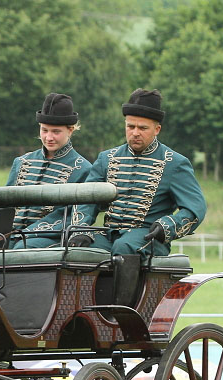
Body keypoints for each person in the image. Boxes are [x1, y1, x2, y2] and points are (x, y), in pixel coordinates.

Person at [68, 89, 206, 257]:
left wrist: (167, 226)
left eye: (142, 128)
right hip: (110, 234)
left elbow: (195, 207)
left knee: (124, 247)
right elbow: (86, 198)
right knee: (77, 249)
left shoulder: (175, 164)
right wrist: (81, 230)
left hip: (150, 237)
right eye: (130, 126)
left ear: (157, 129)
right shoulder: (107, 158)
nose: (135, 133)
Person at [7, 93, 92, 248]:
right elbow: (5, 207)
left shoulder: (83, 169)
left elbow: (70, 217)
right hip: (10, 234)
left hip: (50, 237)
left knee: (21, 247)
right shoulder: (21, 162)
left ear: (70, 130)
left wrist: (26, 234)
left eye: (56, 131)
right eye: (44, 130)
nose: (48, 137)